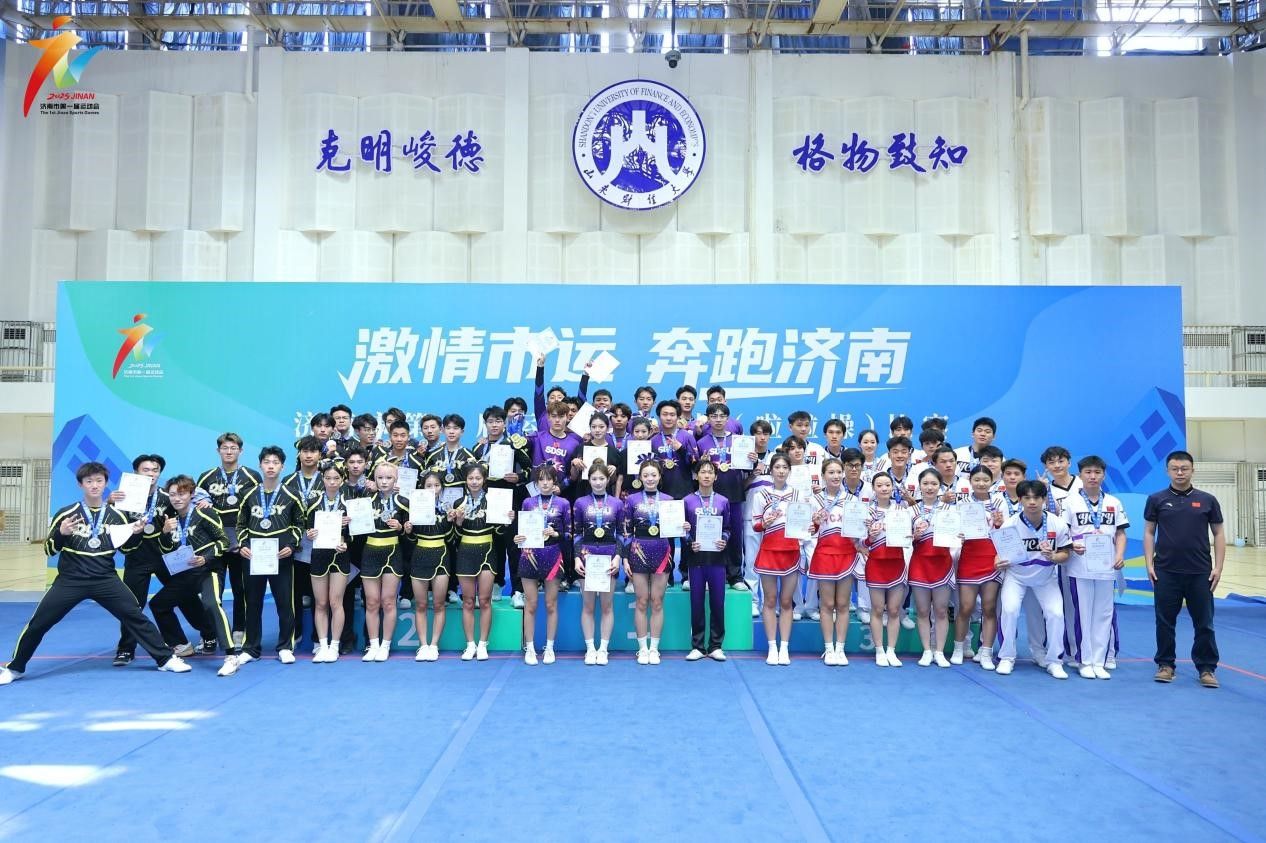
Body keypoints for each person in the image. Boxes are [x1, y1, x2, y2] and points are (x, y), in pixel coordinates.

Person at [2, 462, 192, 685]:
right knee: (38, 623)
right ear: (80, 484)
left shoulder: (117, 515)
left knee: (135, 615)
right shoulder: (67, 513)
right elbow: (49, 549)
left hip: (105, 579)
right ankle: (15, 668)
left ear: (105, 484)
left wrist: (136, 533)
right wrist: (62, 533)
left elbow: (128, 549)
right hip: (71, 580)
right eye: (89, 481)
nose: (94, 485)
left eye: (99, 481)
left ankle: (165, 659)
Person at [1145, 450, 1224, 688]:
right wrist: (1149, 564)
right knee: (1164, 621)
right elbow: (1149, 532)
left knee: (1204, 623)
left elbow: (1219, 533)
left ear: (1192, 470)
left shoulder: (1208, 500)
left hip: (1200, 572)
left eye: (1184, 468)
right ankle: (1165, 665)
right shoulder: (1156, 499)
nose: (1179, 473)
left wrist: (1218, 567)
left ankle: (1207, 668)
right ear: (1167, 471)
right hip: (1166, 571)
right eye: (1175, 469)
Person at [149, 474, 241, 677]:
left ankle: (231, 656)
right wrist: (164, 532)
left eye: (182, 494)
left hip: (208, 570)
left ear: (191, 494)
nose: (177, 498)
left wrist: (205, 558)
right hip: (185, 573)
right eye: (173, 494)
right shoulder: (169, 519)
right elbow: (165, 549)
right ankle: (181, 645)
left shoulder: (204, 512)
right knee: (158, 604)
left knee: (211, 603)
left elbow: (224, 541)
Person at [995, 479, 1072, 680]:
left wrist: (1053, 556)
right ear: (1020, 500)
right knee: (1009, 610)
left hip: (1046, 576)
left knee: (1056, 614)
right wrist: (998, 562)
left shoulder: (1057, 523)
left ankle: (1054, 661)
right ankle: (1006, 657)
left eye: (1036, 497)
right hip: (1016, 576)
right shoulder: (1010, 525)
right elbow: (999, 555)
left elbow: (1066, 553)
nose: (1032, 502)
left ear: (1044, 499)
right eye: (1027, 498)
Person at [236, 445, 304, 666]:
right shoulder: (248, 494)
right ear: (260, 465)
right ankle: (250, 648)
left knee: (285, 603)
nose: (271, 466)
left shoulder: (292, 494)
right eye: (267, 462)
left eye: (275, 462)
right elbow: (240, 524)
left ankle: (285, 647)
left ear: (282, 466)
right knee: (252, 603)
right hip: (253, 557)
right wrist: (242, 545)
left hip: (280, 556)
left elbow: (299, 524)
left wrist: (292, 545)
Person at [1062, 455, 1128, 680]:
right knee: (1083, 614)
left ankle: (1099, 661)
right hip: (1079, 566)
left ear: (1104, 475)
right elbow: (1063, 533)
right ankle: (1085, 660)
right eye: (1088, 472)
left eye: (1097, 472)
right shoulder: (1070, 502)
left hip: (1107, 566)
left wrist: (1119, 555)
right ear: (1080, 475)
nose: (1092, 476)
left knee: (1104, 614)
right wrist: (1072, 545)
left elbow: (1120, 533)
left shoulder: (1113, 502)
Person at [197, 432, 260, 649]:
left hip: (241, 541)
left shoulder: (252, 476)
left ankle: (239, 630)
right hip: (214, 542)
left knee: (241, 589)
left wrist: (248, 538)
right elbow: (197, 508)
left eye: (233, 448)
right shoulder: (206, 477)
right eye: (225, 448)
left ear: (241, 451)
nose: (229, 452)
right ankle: (211, 634)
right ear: (218, 451)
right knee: (212, 592)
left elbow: (258, 506)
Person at [514, 465, 571, 666]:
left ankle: (549, 647)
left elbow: (569, 534)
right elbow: (522, 531)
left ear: (554, 481)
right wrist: (518, 538)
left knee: (550, 604)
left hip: (552, 555)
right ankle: (530, 648)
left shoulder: (563, 503)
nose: (545, 483)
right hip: (529, 555)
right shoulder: (528, 502)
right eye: (541, 479)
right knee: (530, 604)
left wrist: (556, 534)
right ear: (536, 483)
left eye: (549, 479)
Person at [807, 458, 862, 666]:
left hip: (846, 554)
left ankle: (840, 648)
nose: (836, 476)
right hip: (824, 555)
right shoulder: (814, 500)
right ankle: (829, 648)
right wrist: (814, 523)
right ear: (823, 476)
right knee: (827, 604)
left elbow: (858, 532)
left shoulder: (852, 500)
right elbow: (806, 530)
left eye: (839, 472)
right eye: (831, 472)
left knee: (843, 604)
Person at [474, 406, 531, 605]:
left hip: (510, 500)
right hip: (488, 501)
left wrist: (518, 477)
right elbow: (471, 474)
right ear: (485, 424)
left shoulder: (513, 444)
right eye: (490, 421)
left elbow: (530, 469)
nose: (494, 425)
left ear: (504, 423)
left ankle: (517, 590)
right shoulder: (479, 448)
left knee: (513, 546)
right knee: (494, 545)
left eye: (498, 421)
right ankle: (497, 583)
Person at [621, 460, 674, 665]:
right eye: (646, 475)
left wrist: (683, 526)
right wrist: (625, 557)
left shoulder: (669, 500)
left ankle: (654, 649)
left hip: (662, 551)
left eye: (653, 475)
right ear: (640, 478)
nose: (650, 479)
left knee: (657, 601)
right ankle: (642, 648)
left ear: (660, 477)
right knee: (642, 601)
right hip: (638, 551)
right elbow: (626, 531)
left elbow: (675, 531)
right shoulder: (631, 500)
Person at [952, 465, 1003, 670]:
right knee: (965, 607)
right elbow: (953, 529)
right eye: (977, 480)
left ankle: (986, 651)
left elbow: (1006, 531)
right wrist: (958, 534)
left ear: (992, 482)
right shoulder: (962, 503)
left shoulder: (999, 502)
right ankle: (959, 648)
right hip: (969, 557)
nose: (981, 484)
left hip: (991, 558)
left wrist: (999, 524)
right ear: (970, 481)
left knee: (989, 608)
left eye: (985, 480)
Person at [753, 453, 802, 666]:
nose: (781, 471)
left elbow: (806, 525)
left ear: (789, 470)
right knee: (770, 600)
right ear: (770, 470)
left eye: (784, 467)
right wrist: (764, 523)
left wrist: (814, 525)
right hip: (769, 551)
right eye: (777, 467)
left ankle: (784, 648)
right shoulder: (761, 495)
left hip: (791, 551)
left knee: (786, 601)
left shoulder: (797, 495)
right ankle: (772, 646)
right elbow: (755, 525)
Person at [572, 461, 623, 665]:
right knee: (588, 605)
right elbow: (576, 532)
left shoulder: (617, 504)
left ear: (608, 480)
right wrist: (577, 557)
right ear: (589, 479)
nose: (598, 482)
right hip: (587, 556)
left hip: (609, 556)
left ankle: (603, 649)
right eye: (594, 478)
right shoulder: (580, 503)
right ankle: (590, 648)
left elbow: (622, 534)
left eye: (602, 478)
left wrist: (618, 557)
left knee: (607, 605)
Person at [359, 462, 409, 662]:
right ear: (374, 479)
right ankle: (373, 645)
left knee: (388, 601)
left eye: (389, 478)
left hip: (393, 552)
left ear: (396, 479)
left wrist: (401, 527)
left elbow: (411, 532)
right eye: (380, 478)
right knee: (371, 602)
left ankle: (385, 645)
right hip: (370, 551)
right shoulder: (365, 501)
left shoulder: (404, 502)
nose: (384, 481)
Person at [695, 403, 749, 590]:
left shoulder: (739, 441)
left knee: (734, 536)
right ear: (708, 419)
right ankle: (709, 575)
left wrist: (752, 460)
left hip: (734, 494)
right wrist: (701, 462)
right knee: (709, 534)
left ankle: (735, 576)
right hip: (711, 496)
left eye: (722, 416)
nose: (718, 420)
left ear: (728, 419)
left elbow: (748, 468)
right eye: (714, 416)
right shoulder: (702, 442)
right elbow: (697, 471)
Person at [683, 459, 730, 662]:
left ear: (716, 477)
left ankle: (716, 646)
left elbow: (728, 528)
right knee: (697, 602)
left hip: (717, 559)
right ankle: (698, 646)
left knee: (718, 603)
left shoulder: (723, 501)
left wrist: (724, 540)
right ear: (696, 476)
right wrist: (689, 541)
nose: (706, 475)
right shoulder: (687, 501)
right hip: (696, 559)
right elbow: (682, 529)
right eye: (702, 472)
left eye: (710, 472)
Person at [305, 461, 351, 663]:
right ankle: (322, 646)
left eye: (336, 478)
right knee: (321, 603)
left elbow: (355, 534)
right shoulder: (313, 503)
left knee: (335, 602)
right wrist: (309, 534)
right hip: (319, 555)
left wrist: (346, 541)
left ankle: (334, 646)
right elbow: (307, 529)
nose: (332, 482)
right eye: (328, 478)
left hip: (340, 555)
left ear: (342, 480)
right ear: (322, 479)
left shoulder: (348, 504)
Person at [452, 462, 497, 661]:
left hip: (487, 551)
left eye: (478, 478)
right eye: (471, 478)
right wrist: (459, 522)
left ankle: (483, 644)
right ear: (466, 480)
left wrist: (507, 518)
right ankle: (470, 644)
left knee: (485, 600)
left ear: (484, 480)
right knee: (468, 601)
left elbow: (501, 532)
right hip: (465, 551)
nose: (474, 482)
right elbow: (454, 536)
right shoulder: (458, 503)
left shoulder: (494, 500)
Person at [909, 468, 953, 668]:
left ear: (940, 486)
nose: (929, 487)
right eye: (925, 484)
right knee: (922, 610)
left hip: (942, 564)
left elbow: (957, 536)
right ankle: (927, 651)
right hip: (920, 564)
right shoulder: (911, 511)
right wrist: (915, 536)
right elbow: (902, 539)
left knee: (941, 610)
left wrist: (959, 537)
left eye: (934, 484)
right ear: (919, 486)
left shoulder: (949, 510)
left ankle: (939, 652)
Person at [864, 473, 909, 667]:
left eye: (887, 485)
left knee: (894, 610)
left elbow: (910, 538)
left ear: (892, 487)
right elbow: (861, 543)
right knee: (876, 609)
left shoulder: (902, 510)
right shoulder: (867, 512)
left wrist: (911, 535)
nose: (884, 488)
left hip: (896, 563)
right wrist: (870, 537)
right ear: (873, 489)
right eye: (879, 485)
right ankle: (879, 651)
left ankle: (891, 650)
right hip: (876, 564)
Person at [407, 470, 453, 662]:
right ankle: (423, 645)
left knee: (439, 604)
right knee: (421, 604)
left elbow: (451, 538)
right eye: (429, 485)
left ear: (442, 488)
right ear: (422, 487)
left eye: (436, 485)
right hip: (420, 555)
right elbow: (410, 539)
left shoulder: (448, 508)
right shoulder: (414, 507)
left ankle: (434, 645)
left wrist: (451, 521)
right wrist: (408, 530)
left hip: (441, 555)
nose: (433, 489)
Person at [741, 419, 775, 612]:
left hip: (774, 519)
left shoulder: (777, 458)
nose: (762, 437)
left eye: (766, 433)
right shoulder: (744, 458)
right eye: (758, 433)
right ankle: (753, 601)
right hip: (750, 516)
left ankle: (770, 602)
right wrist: (754, 474)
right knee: (752, 561)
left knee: (771, 562)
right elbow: (738, 487)